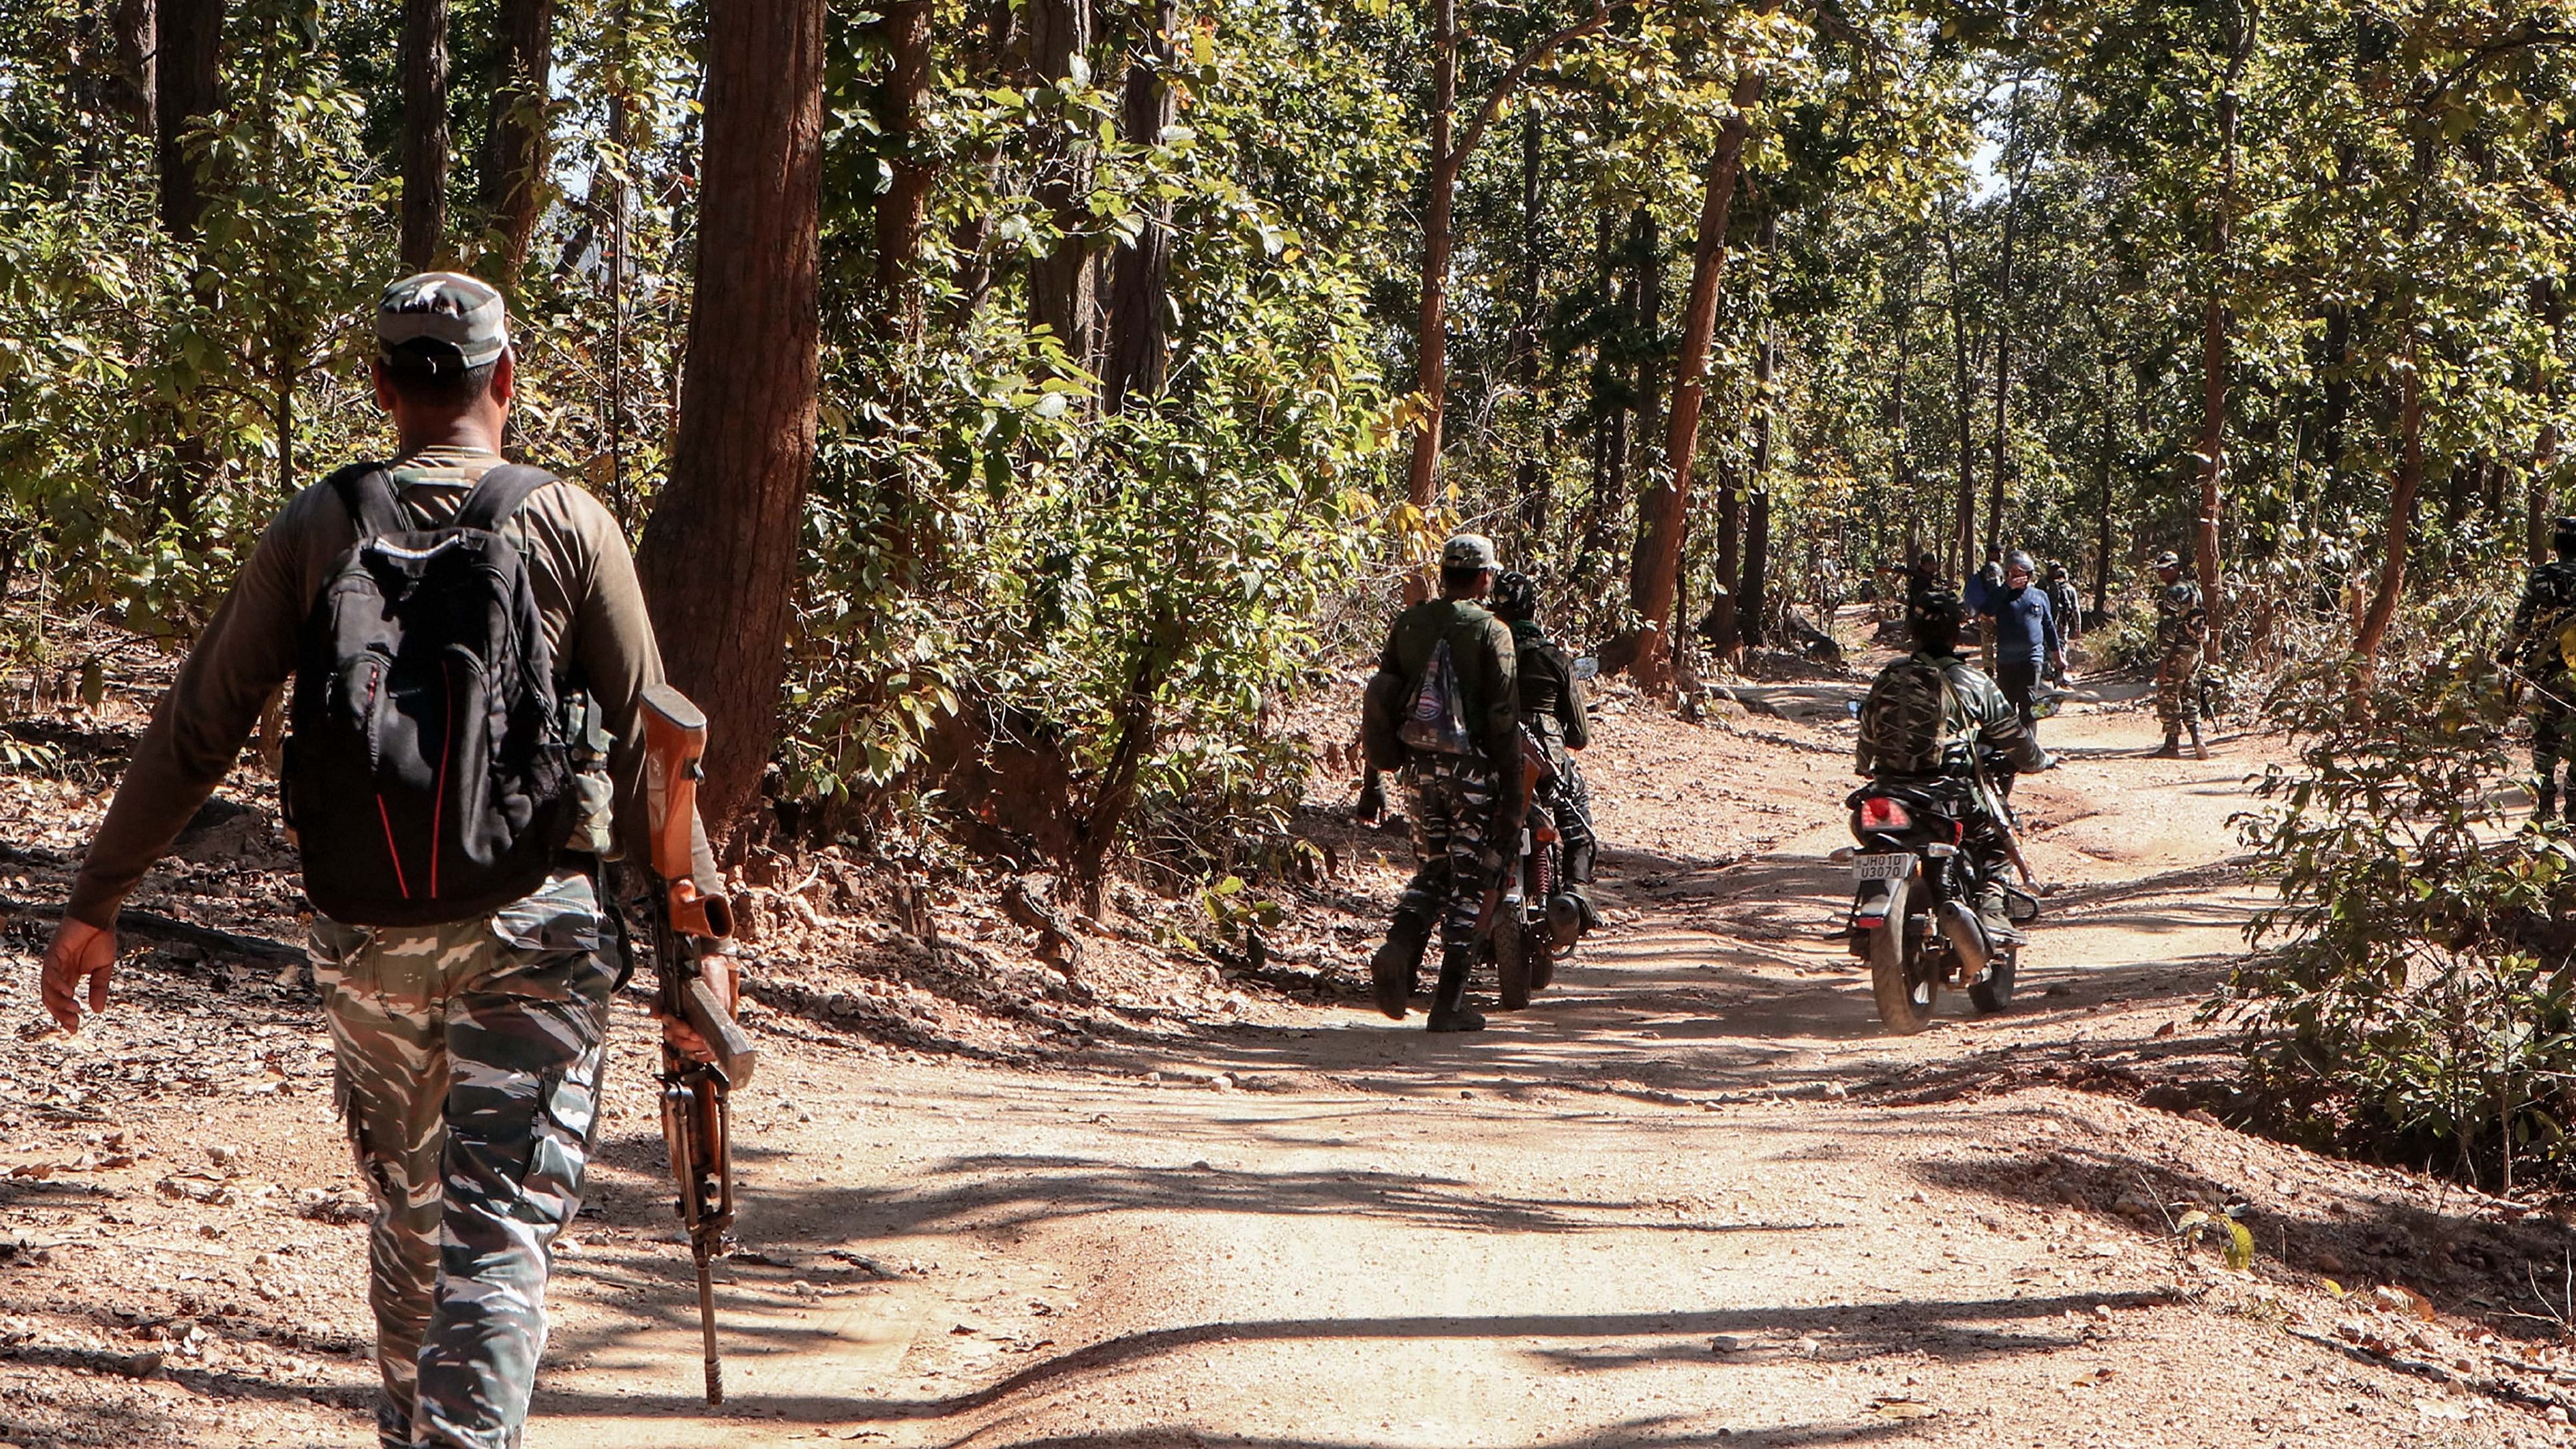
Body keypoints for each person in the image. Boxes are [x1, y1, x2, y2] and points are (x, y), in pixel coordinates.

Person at [37, 272, 723, 1449]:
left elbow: (199, 723)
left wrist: (98, 901)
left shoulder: (321, 525)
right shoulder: (568, 521)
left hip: (369, 934)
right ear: (507, 379)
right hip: (532, 927)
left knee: (412, 1224)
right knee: (495, 1229)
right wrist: (696, 953)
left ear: (381, 386)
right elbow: (663, 747)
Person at [1362, 534, 1519, 1032]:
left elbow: (1382, 699)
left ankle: (1399, 945)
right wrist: (1512, 793)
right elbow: (1502, 718)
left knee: (1433, 871)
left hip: (1416, 770)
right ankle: (1448, 1003)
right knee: (1470, 878)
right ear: (1483, 578)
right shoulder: (1492, 631)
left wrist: (1375, 778)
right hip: (1471, 774)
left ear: (1443, 572)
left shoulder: (1409, 623)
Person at [1854, 588, 2052, 944]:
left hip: (1886, 794)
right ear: (1956, 633)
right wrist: (2038, 761)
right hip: (1946, 795)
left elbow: (1868, 731)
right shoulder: (1973, 681)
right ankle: (1992, 913)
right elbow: (2013, 737)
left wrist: (1865, 766)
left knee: (1869, 835)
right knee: (1994, 841)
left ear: (1911, 631)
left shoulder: (1888, 675)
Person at [1489, 570, 1599, 931]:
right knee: (1576, 807)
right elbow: (1579, 736)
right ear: (1534, 608)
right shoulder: (1553, 658)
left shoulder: (1485, 653)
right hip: (1547, 757)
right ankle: (1577, 891)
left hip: (1489, 755)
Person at [2501, 517, 2576, 821]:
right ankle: (2573, 806)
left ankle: (2545, 804)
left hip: (2548, 668)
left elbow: (2522, 623)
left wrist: (2508, 652)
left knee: (2546, 734)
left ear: (2557, 545)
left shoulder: (2542, 576)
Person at [1970, 550, 2062, 736]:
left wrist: (2058, 657)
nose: (2018, 577)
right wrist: (2007, 588)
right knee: (2007, 708)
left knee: (2028, 706)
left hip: (2031, 659)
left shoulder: (2039, 596)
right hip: (2006, 661)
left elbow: (2049, 628)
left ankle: (2029, 749)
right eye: (2013, 573)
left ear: (2029, 574)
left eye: (2022, 573)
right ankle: (2009, 749)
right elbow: (1986, 611)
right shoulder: (2000, 595)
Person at [2149, 550, 2210, 759]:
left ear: (2176, 568)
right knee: (2190, 695)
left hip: (2178, 652)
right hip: (2196, 650)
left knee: (2169, 696)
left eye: (2166, 569)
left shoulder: (2173, 593)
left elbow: (2169, 628)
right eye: (2160, 570)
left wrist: (2163, 659)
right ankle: (2198, 740)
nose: (2162, 574)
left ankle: (2171, 745)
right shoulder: (2193, 590)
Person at [2044, 562, 2083, 684]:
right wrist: (2078, 626)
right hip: (2063, 623)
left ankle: (2047, 673)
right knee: (2062, 645)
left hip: (2048, 622)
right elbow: (2076, 609)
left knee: (2047, 647)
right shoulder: (2070, 589)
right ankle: (2060, 675)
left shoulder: (2047, 587)